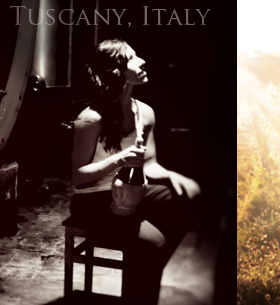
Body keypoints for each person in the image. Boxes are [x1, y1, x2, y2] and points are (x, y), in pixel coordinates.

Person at [71, 39, 200, 304]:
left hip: (133, 192)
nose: (142, 62)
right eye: (133, 58)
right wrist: (118, 160)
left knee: (186, 204)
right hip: (93, 201)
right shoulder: (91, 119)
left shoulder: (145, 113)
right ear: (117, 70)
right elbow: (78, 177)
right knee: (151, 245)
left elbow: (149, 165)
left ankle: (141, 281)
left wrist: (172, 176)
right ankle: (142, 284)